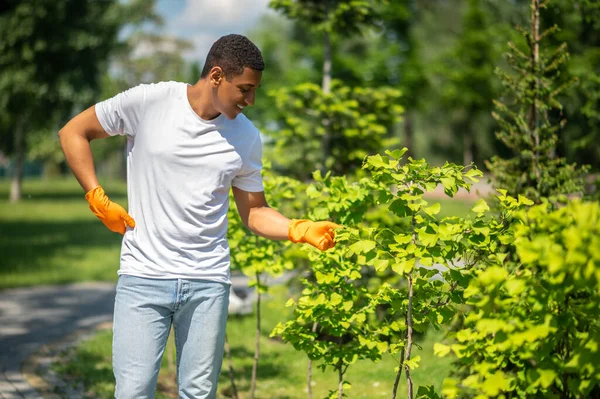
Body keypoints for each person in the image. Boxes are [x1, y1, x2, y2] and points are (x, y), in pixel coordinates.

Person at [58, 34, 338, 399]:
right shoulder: (150, 101)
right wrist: (96, 196)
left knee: (198, 393)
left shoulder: (246, 137)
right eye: (246, 89)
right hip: (144, 277)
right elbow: (73, 132)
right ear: (217, 76)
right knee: (133, 391)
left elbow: (254, 211)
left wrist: (297, 229)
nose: (251, 100)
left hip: (207, 283)